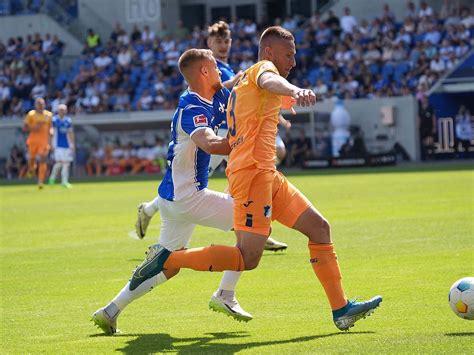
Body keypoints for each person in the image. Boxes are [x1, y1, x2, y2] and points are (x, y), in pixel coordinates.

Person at [100, 27, 382, 334]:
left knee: (319, 228)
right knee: (247, 254)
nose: (295, 61)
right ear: (271, 53)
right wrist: (292, 91)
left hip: (260, 176)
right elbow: (264, 82)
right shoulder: (243, 79)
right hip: (221, 185)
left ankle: (341, 309)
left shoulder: (227, 89)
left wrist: (282, 104)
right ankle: (180, 265)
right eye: (290, 55)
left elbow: (251, 87)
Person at [92, 49, 249, 335]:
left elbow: (233, 88)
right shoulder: (192, 109)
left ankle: (110, 310)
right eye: (215, 67)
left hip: (172, 199)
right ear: (204, 72)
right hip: (189, 197)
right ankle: (225, 294)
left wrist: (248, 80)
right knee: (250, 224)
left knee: (168, 266)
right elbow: (211, 144)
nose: (220, 72)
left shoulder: (209, 95)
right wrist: (244, 140)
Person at [23, 97, 52, 189]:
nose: (41, 106)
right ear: (35, 105)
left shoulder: (48, 115)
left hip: (44, 141)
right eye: (39, 104)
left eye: (42, 104)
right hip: (33, 141)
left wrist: (51, 131)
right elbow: (24, 128)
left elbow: (50, 127)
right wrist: (34, 128)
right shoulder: (31, 114)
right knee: (32, 159)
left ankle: (40, 181)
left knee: (43, 159)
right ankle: (31, 168)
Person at [48, 104, 75, 188]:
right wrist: (50, 143)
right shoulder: (54, 120)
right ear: (58, 111)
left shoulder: (68, 121)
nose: (62, 111)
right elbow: (51, 131)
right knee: (61, 162)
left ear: (66, 111)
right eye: (61, 110)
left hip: (67, 145)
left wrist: (72, 144)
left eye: (64, 110)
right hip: (57, 145)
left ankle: (63, 181)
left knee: (66, 163)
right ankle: (53, 178)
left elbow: (70, 132)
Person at [418, 96, 436, 160]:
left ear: (427, 100)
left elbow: (433, 117)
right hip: (423, 127)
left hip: (429, 126)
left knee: (430, 141)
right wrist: (418, 127)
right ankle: (426, 156)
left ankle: (433, 156)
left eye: (425, 99)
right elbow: (419, 118)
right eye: (423, 99)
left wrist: (434, 126)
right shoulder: (420, 108)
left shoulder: (430, 107)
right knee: (423, 142)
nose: (423, 100)